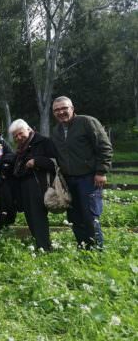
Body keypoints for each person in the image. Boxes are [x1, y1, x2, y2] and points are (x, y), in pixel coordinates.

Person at [51, 96, 113, 249]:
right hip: (68, 180)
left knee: (90, 216)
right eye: (57, 110)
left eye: (64, 108)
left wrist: (101, 171)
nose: (61, 112)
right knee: (74, 217)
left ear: (72, 108)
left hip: (89, 178)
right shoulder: (56, 131)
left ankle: (97, 250)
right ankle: (83, 247)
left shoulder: (87, 122)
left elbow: (104, 147)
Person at [9, 119, 57, 251]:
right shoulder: (21, 147)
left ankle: (45, 247)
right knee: (30, 218)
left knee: (38, 218)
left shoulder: (44, 142)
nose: (18, 137)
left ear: (29, 129)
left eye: (20, 133)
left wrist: (37, 161)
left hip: (39, 186)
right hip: (25, 186)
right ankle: (40, 245)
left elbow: (55, 164)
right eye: (15, 136)